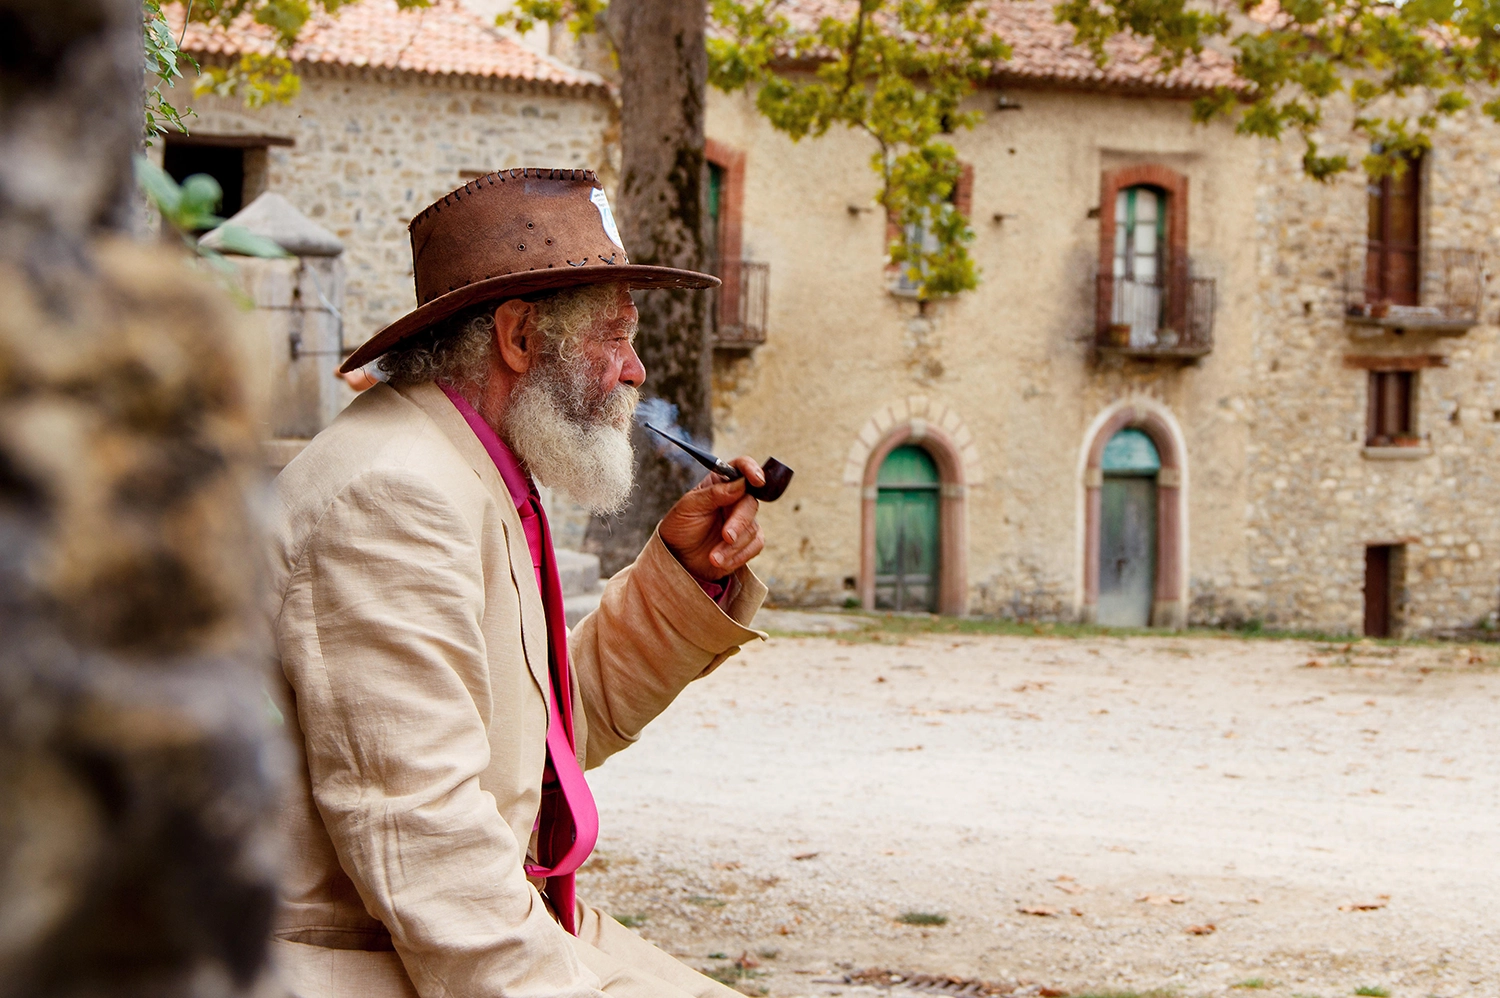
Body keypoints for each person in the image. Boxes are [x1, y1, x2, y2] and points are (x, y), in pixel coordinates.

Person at [265, 168, 767, 998]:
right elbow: (421, 843)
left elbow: (543, 744)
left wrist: (682, 578)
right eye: (615, 337)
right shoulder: (394, 493)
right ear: (520, 339)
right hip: (343, 959)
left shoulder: (461, 463)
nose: (637, 372)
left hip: (448, 930)